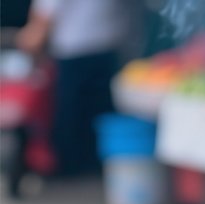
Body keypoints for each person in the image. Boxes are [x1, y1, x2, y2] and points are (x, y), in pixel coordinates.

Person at [15, 0, 135, 176]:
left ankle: (70, 172)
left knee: (72, 118)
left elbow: (40, 26)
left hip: (75, 54)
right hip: (108, 49)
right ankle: (95, 169)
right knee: (99, 117)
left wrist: (27, 43)